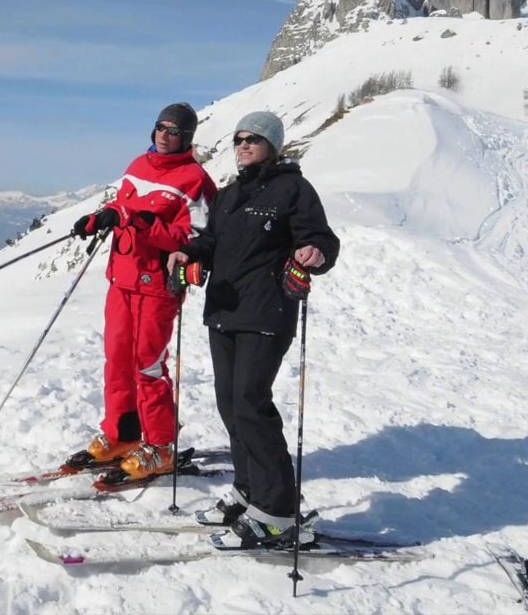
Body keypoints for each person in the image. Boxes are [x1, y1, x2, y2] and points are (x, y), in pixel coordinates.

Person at [167, 110, 339, 548]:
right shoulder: (228, 195)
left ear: (273, 145)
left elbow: (322, 239)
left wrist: (314, 253)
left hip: (265, 313)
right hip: (224, 311)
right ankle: (248, 494)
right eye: (238, 139)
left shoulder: (293, 189)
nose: (242, 145)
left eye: (252, 138)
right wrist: (190, 253)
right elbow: (212, 241)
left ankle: (279, 512)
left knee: (251, 404)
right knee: (230, 405)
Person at [68, 102, 218, 481]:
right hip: (122, 278)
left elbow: (193, 238)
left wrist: (141, 222)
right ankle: (123, 435)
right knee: (117, 359)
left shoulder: (195, 180)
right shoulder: (137, 166)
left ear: (186, 138)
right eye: (160, 127)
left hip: (156, 285)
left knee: (148, 366)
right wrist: (99, 217)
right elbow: (123, 204)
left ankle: (160, 446)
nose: (165, 135)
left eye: (174, 131)